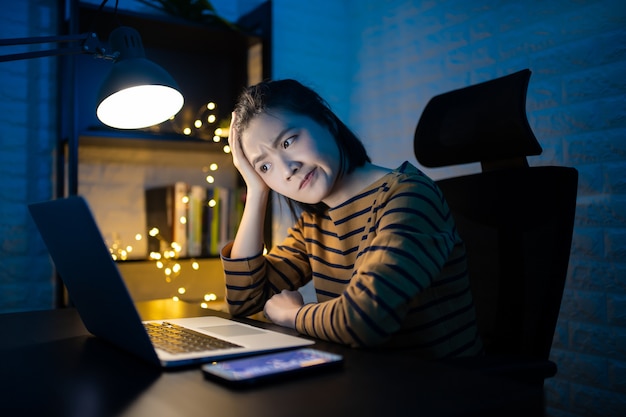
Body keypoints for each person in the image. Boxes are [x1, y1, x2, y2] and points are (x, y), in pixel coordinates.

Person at [221, 79, 483, 358]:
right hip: (366, 379)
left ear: (327, 122)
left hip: (441, 386)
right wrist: (256, 189)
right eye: (265, 165)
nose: (287, 169)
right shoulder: (315, 221)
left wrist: (293, 315)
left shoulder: (409, 195)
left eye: (288, 141)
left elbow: (363, 320)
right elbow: (245, 302)